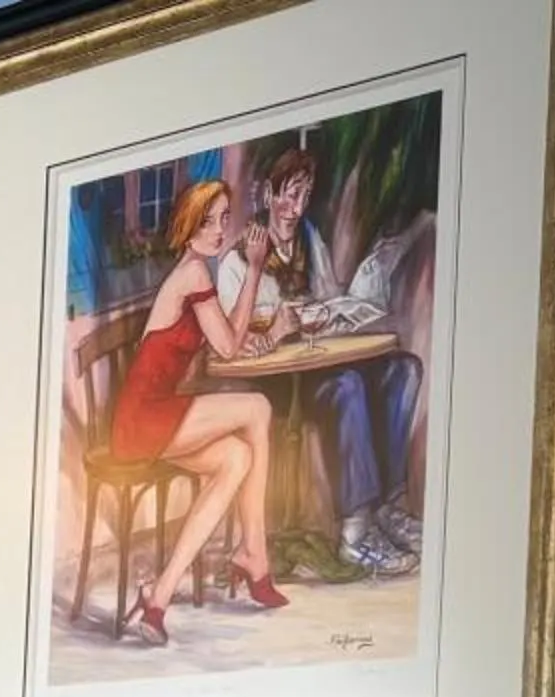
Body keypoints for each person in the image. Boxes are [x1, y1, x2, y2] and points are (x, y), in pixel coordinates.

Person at [213, 145, 424, 576]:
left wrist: (332, 313)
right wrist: (275, 331)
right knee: (348, 386)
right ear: (268, 196)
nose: (295, 207)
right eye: (288, 195)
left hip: (316, 363)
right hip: (273, 384)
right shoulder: (238, 260)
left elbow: (327, 299)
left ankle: (387, 506)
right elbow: (233, 347)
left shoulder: (311, 239)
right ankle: (355, 532)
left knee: (403, 370)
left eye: (304, 196)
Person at [108, 178, 285, 644]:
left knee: (237, 458)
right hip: (143, 418)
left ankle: (158, 601)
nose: (218, 229)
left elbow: (230, 337)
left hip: (155, 417)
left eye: (224, 218)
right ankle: (256, 554)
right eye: (208, 220)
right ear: (188, 226)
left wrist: (256, 290)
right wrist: (252, 270)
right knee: (259, 407)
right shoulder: (194, 273)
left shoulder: (195, 274)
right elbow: (228, 348)